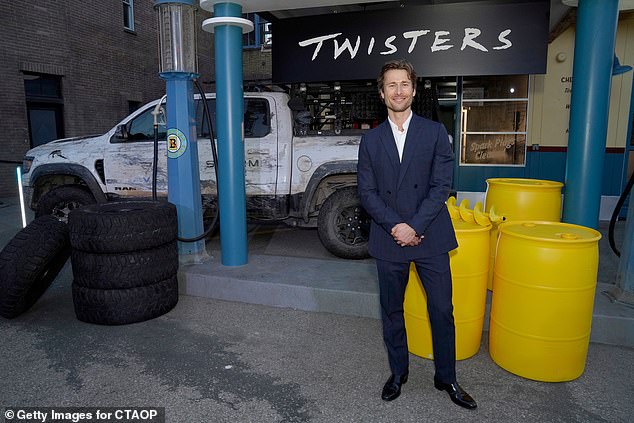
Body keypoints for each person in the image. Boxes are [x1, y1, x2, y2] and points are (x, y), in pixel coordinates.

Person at [357, 59, 476, 410]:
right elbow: (366, 192)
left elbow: (442, 185)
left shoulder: (435, 132)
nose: (398, 91)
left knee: (442, 309)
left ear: (413, 89)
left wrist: (415, 227)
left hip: (430, 237)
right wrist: (396, 227)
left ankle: (447, 377)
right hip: (388, 237)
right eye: (391, 85)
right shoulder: (371, 140)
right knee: (392, 311)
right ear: (382, 93)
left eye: (404, 84)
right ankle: (398, 373)